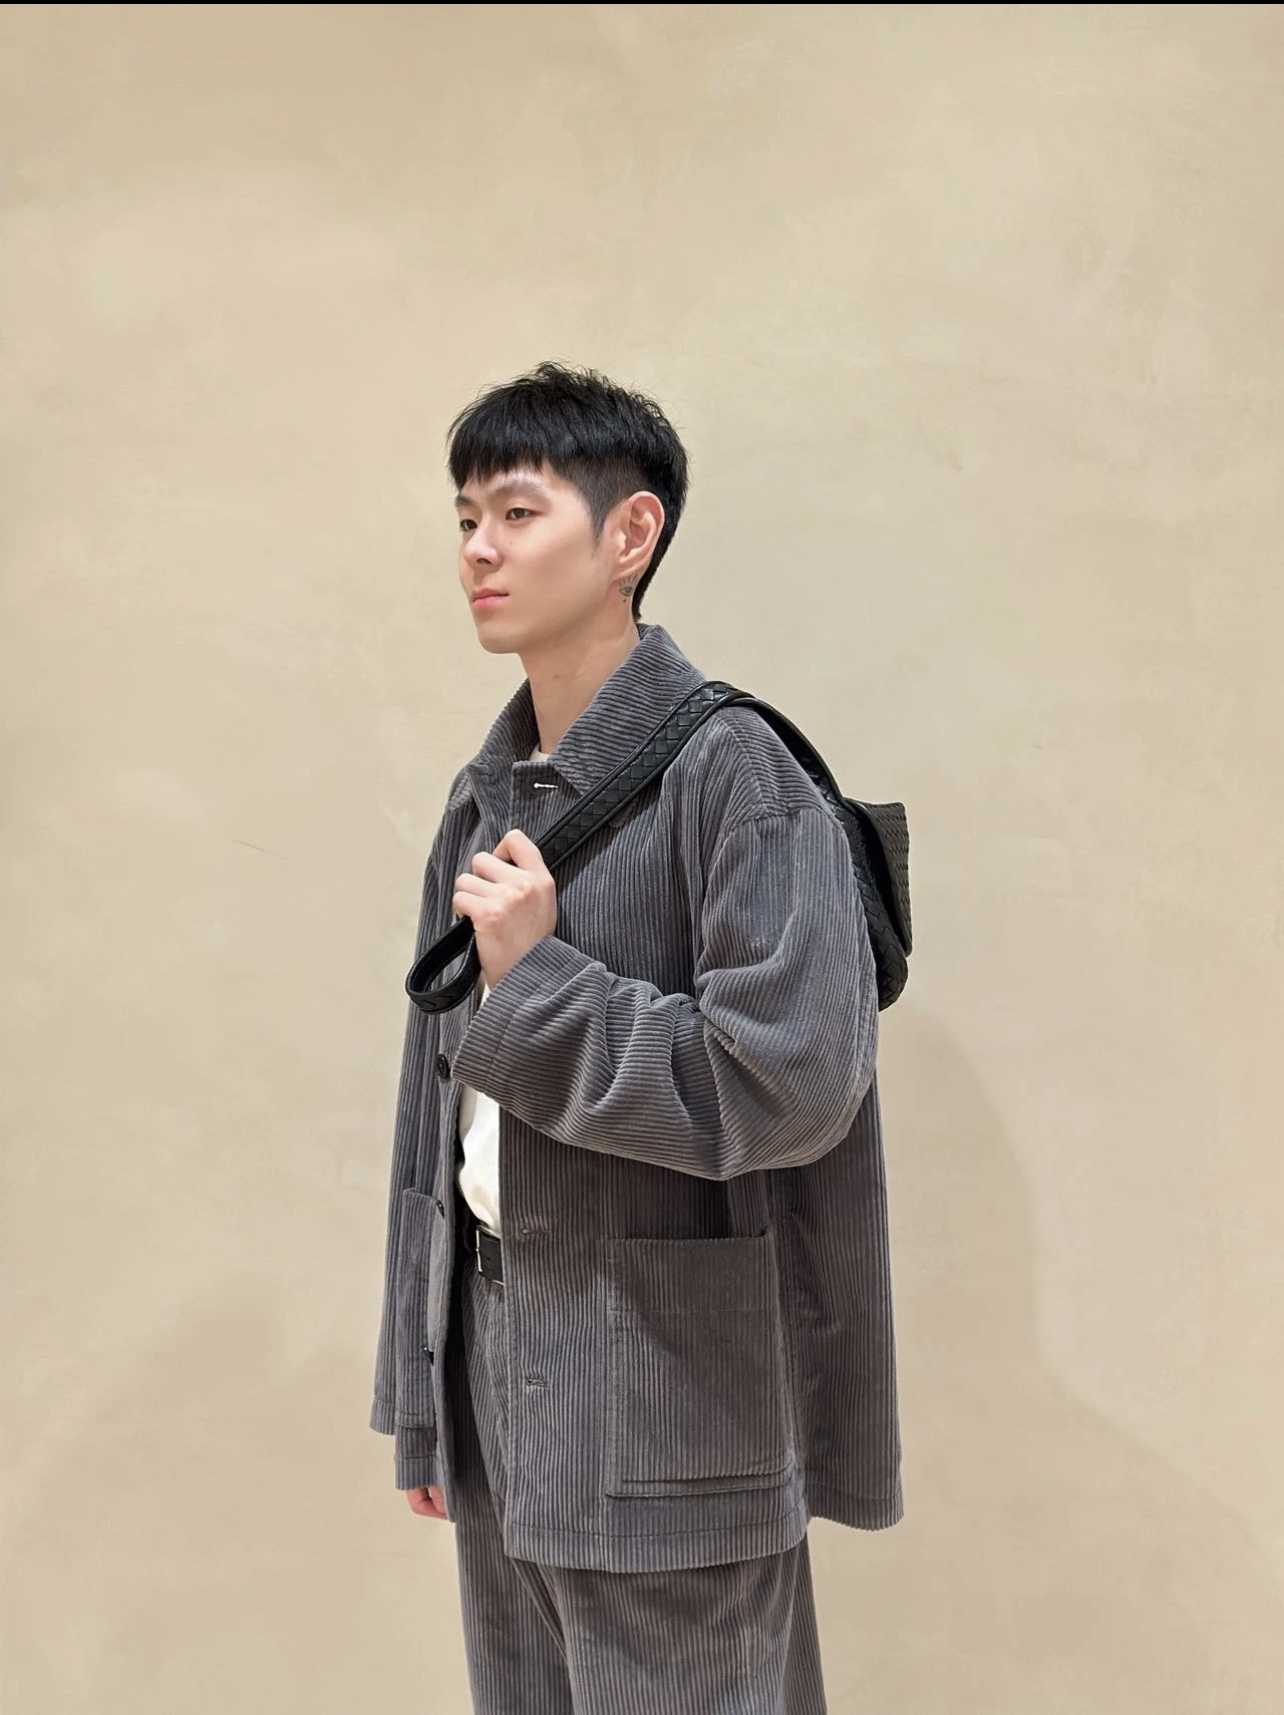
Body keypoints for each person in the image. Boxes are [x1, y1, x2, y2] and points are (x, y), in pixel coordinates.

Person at [368, 361, 902, 1715]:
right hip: (503, 1386)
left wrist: (542, 985)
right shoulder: (484, 793)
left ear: (630, 537)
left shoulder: (739, 777)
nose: (478, 549)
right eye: (465, 518)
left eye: (517, 512)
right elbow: (437, 1120)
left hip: (675, 1408)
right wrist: (425, 1395)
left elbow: (792, 1083)